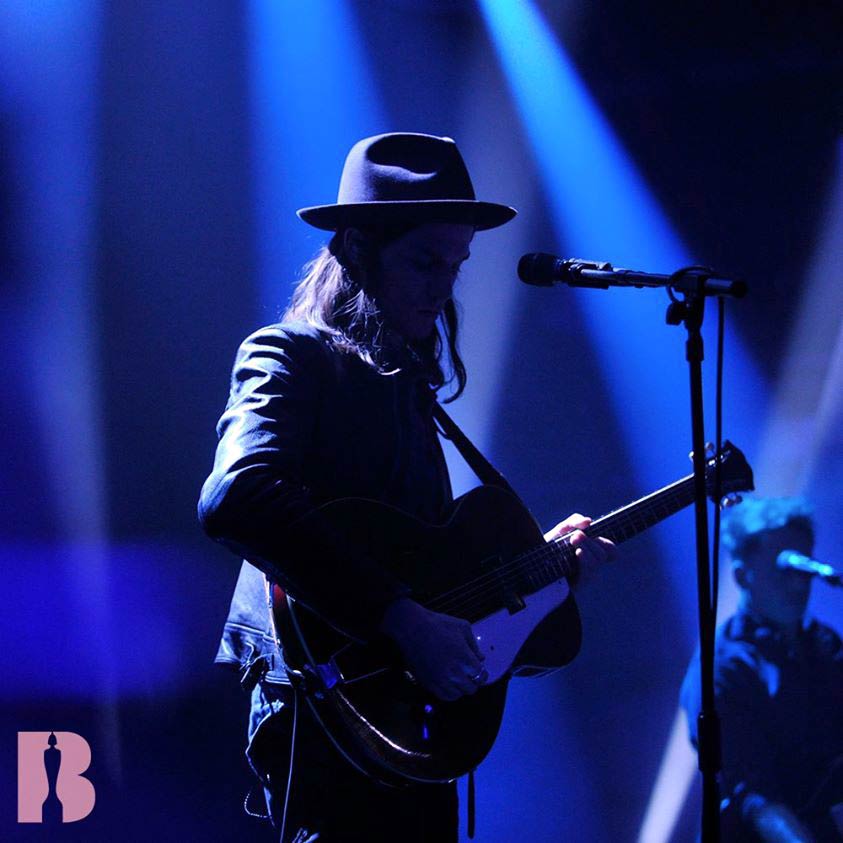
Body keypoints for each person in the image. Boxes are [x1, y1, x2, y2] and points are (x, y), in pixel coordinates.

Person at [199, 132, 613, 842]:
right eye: (425, 261)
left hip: (408, 725)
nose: (443, 286)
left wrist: (537, 572)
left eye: (455, 265)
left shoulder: (406, 386)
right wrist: (402, 619)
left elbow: (424, 571)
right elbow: (236, 494)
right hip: (327, 714)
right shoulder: (290, 354)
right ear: (359, 252)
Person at [680, 497, 843, 843]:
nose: (798, 585)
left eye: (803, 569)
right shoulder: (722, 667)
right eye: (782, 569)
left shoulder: (827, 644)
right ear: (743, 576)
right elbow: (755, 798)